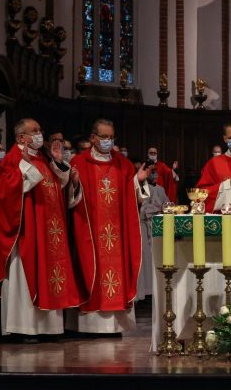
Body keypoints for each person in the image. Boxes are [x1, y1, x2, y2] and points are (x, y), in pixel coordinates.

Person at [0, 118, 86, 339]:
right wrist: (25, 169)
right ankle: (25, 328)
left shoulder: (41, 157)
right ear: (21, 137)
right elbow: (6, 193)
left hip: (50, 230)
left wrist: (60, 165)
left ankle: (49, 328)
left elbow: (56, 187)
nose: (40, 134)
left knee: (49, 275)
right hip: (27, 232)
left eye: (40, 130)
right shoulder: (13, 158)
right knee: (26, 276)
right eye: (35, 131)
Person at [67, 119, 147, 334]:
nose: (108, 141)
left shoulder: (123, 164)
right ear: (93, 138)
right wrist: (74, 183)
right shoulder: (79, 162)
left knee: (118, 272)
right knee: (88, 269)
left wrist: (138, 181)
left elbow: (133, 197)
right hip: (90, 230)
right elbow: (71, 199)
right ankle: (90, 327)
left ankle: (114, 326)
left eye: (111, 137)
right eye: (104, 137)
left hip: (118, 232)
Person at [138, 166, 169, 301]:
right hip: (144, 226)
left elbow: (167, 204)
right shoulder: (143, 188)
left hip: (157, 226)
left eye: (156, 173)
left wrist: (165, 207)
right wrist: (158, 208)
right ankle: (145, 291)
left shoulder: (160, 189)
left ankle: (154, 290)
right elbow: (142, 208)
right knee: (145, 258)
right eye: (152, 173)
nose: (155, 176)